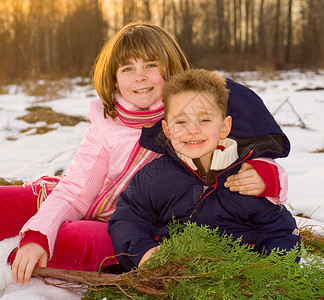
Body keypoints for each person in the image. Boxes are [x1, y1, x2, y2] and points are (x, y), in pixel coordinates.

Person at [0, 22, 287, 286]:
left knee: (73, 241)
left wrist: (267, 174)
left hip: (125, 220)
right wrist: (39, 232)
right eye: (127, 68)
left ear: (171, 68)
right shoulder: (107, 119)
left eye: (151, 65)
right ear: (113, 77)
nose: (140, 77)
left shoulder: (190, 114)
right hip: (74, 196)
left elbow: (248, 144)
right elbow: (76, 190)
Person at [108, 69, 300, 271]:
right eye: (181, 121)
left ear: (225, 127)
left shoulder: (246, 177)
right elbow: (128, 219)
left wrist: (270, 270)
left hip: (238, 274)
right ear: (167, 130)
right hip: (175, 273)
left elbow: (279, 231)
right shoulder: (151, 177)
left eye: (204, 120)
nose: (192, 129)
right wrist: (144, 252)